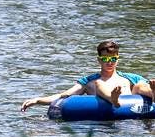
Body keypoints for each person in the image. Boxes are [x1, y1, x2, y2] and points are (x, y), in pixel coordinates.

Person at [20, 41, 155, 111]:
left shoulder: (129, 78)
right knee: (99, 83)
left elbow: (142, 87)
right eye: (106, 59)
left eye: (113, 59)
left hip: (131, 113)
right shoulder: (89, 81)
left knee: (140, 85)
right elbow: (64, 95)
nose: (110, 63)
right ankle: (113, 99)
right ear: (99, 60)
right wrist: (38, 100)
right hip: (109, 112)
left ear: (117, 60)